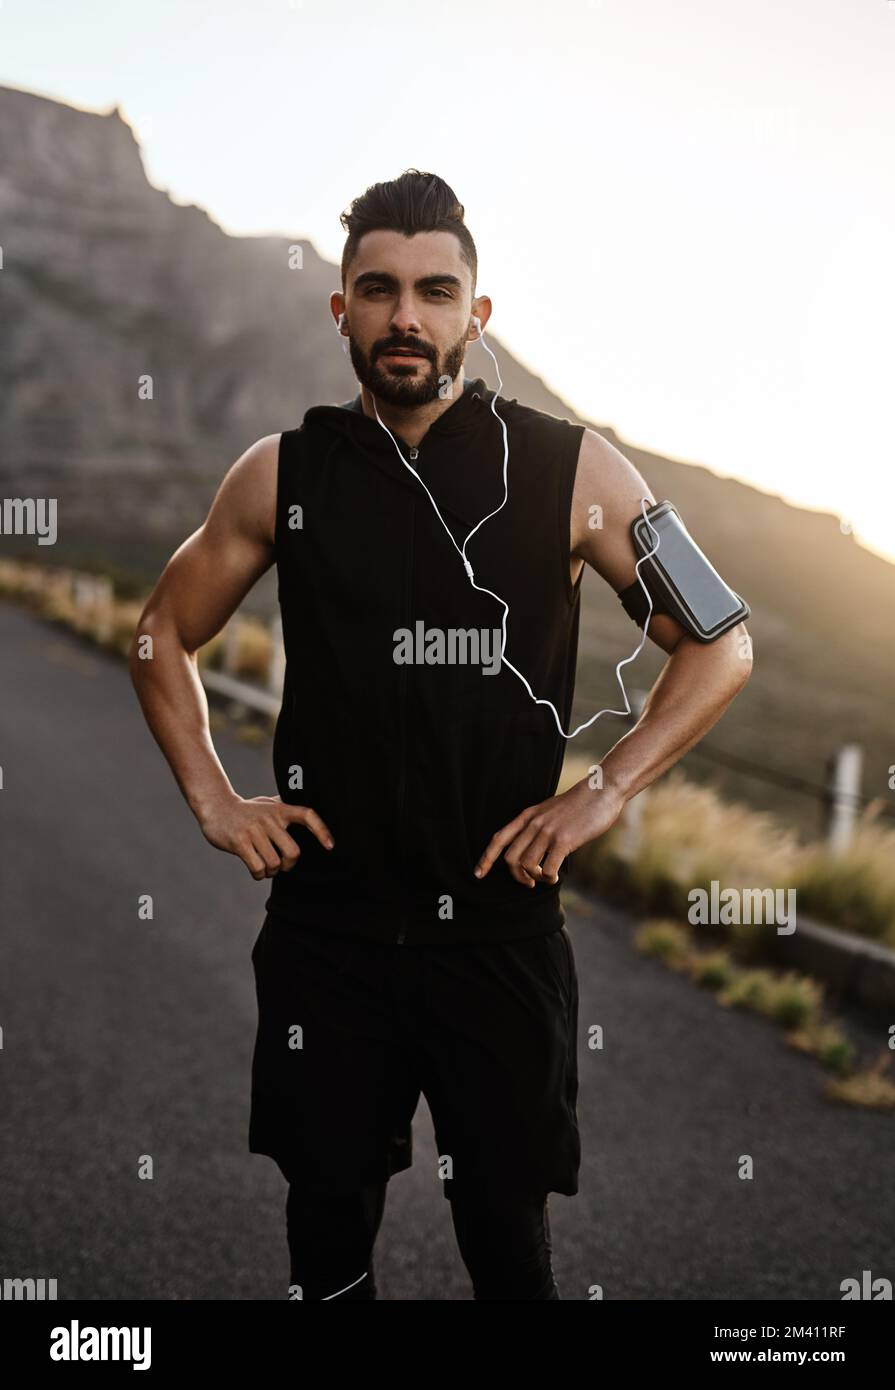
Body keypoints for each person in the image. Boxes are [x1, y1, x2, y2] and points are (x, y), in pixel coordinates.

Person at [129, 168, 752, 1300]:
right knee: (326, 1233)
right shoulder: (280, 473)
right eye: (376, 290)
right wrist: (214, 799)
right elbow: (159, 631)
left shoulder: (575, 471)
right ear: (341, 311)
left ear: (478, 312)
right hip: (330, 928)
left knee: (507, 1248)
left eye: (432, 290)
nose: (403, 315)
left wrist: (604, 790)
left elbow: (721, 643)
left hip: (499, 935)